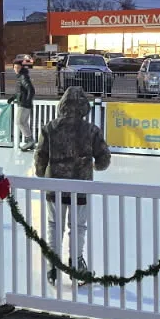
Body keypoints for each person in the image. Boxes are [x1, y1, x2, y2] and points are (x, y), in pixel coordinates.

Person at [34, 86, 112, 285]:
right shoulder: (92, 130)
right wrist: (97, 165)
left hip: (55, 185)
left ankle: (53, 265)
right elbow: (104, 158)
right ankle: (77, 264)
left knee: (54, 225)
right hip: (81, 185)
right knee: (78, 226)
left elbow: (40, 156)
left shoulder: (50, 127)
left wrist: (41, 175)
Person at [9, 60, 37, 151]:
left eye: (18, 67)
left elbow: (31, 90)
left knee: (19, 121)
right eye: (15, 67)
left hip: (24, 103)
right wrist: (13, 97)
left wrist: (27, 101)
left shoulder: (23, 77)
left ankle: (30, 141)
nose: (16, 69)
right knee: (23, 122)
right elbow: (21, 91)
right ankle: (31, 141)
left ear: (21, 68)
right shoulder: (20, 77)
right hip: (23, 102)